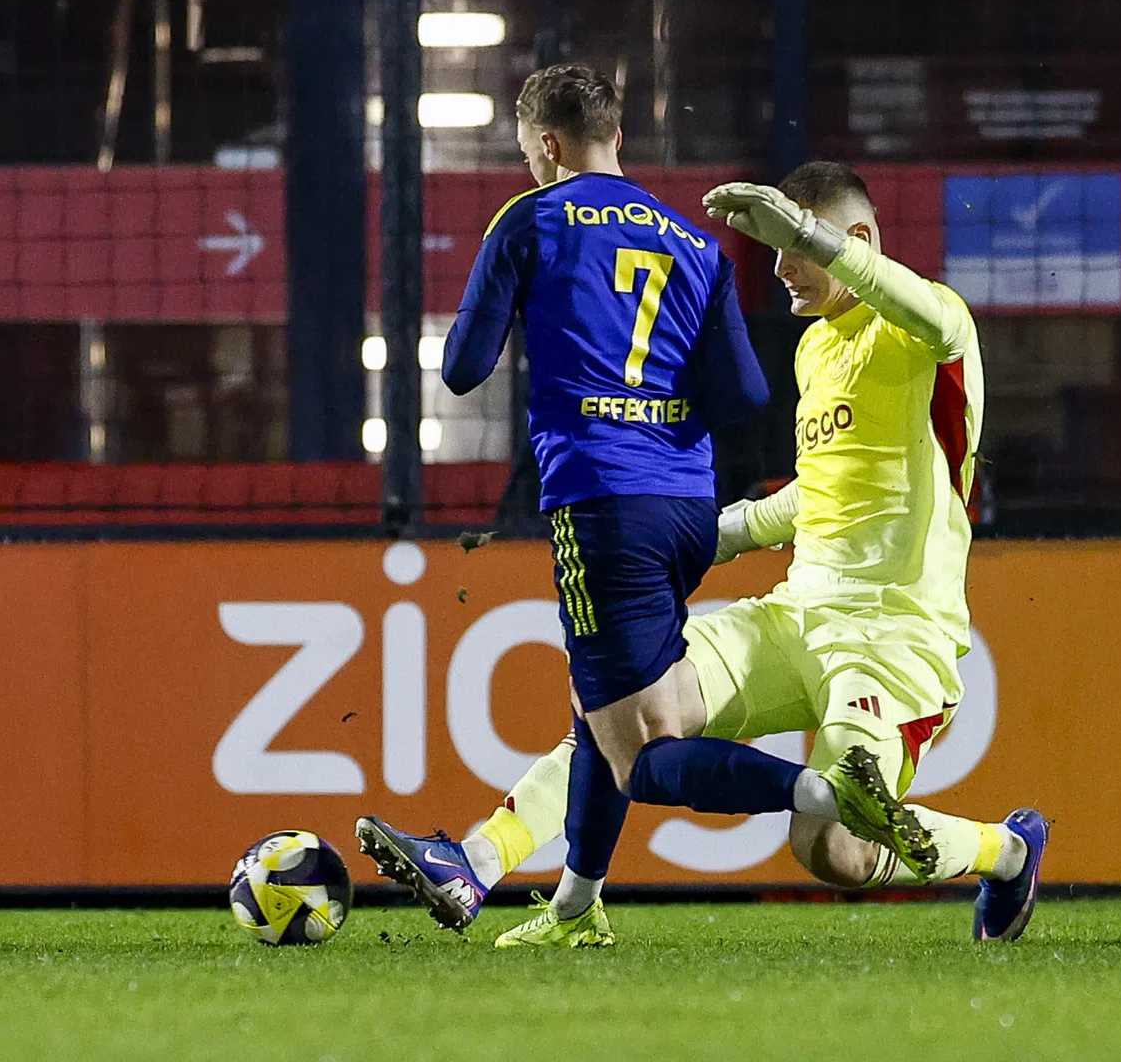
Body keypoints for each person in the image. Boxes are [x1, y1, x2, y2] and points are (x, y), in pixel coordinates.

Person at [364, 162, 1047, 946]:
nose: (781, 266)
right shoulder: (816, 351)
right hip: (795, 617)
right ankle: (479, 861)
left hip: (895, 637)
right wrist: (721, 533)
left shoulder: (932, 326)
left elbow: (928, 315)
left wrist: (814, 235)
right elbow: (822, 493)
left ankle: (1007, 851)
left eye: (795, 247)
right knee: (622, 709)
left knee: (836, 851)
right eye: (777, 247)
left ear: (855, 238)